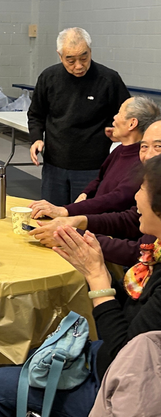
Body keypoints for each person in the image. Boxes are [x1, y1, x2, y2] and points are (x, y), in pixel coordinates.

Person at [0, 154, 161, 417]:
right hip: (119, 366)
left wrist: (98, 278)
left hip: (123, 396)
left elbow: (125, 362)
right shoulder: (153, 255)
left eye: (143, 188)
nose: (135, 197)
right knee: (35, 355)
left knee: (1, 384)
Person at [29, 118, 161, 263]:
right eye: (144, 147)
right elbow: (130, 219)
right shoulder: (131, 159)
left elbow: (138, 251)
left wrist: (71, 234)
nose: (148, 155)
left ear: (132, 123)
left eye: (158, 147)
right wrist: (78, 220)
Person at [28, 27, 130, 204]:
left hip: (93, 167)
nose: (79, 66)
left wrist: (117, 131)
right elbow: (36, 114)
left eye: (84, 58)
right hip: (54, 164)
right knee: (53, 220)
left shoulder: (109, 79)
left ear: (90, 52)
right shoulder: (48, 77)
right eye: (70, 60)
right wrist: (36, 138)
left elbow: (127, 116)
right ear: (60, 56)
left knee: (86, 222)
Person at [29, 96, 159, 221]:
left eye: (119, 113)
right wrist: (86, 193)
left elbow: (118, 198)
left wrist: (67, 210)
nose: (114, 117)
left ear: (132, 123)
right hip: (96, 220)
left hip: (107, 226)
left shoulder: (142, 161)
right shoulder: (120, 150)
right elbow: (99, 178)